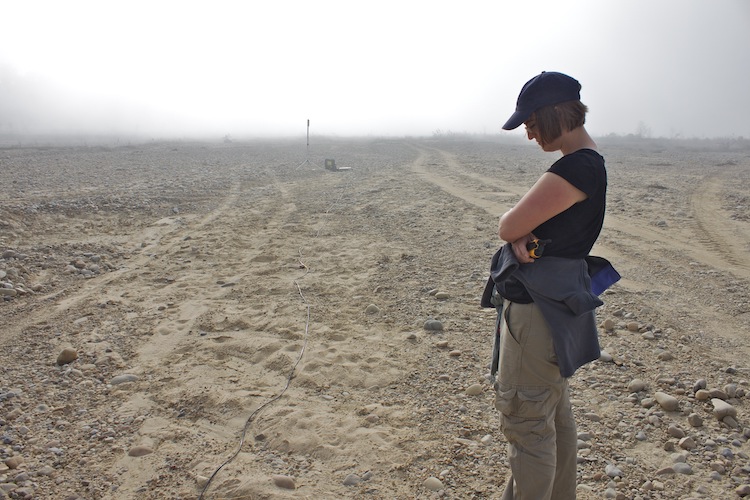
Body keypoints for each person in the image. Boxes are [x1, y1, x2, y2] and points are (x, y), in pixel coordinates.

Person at [481, 71, 615, 499]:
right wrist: (524, 233)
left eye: (532, 124)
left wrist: (518, 231)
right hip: (557, 310)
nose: (530, 134)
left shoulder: (576, 167)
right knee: (554, 421)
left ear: (556, 114)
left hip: (538, 315)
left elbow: (508, 224)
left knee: (528, 427)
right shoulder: (590, 164)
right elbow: (527, 229)